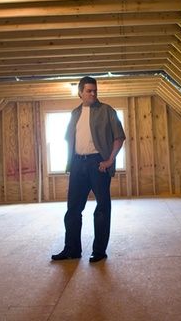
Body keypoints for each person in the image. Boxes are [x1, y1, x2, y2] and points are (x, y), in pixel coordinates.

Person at [52, 76, 126, 263]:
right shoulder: (75, 113)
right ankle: (72, 249)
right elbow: (69, 138)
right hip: (78, 163)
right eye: (89, 91)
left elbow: (119, 137)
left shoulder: (107, 111)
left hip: (98, 164)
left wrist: (110, 160)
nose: (93, 93)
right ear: (80, 93)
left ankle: (99, 251)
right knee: (73, 209)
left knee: (102, 208)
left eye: (95, 90)